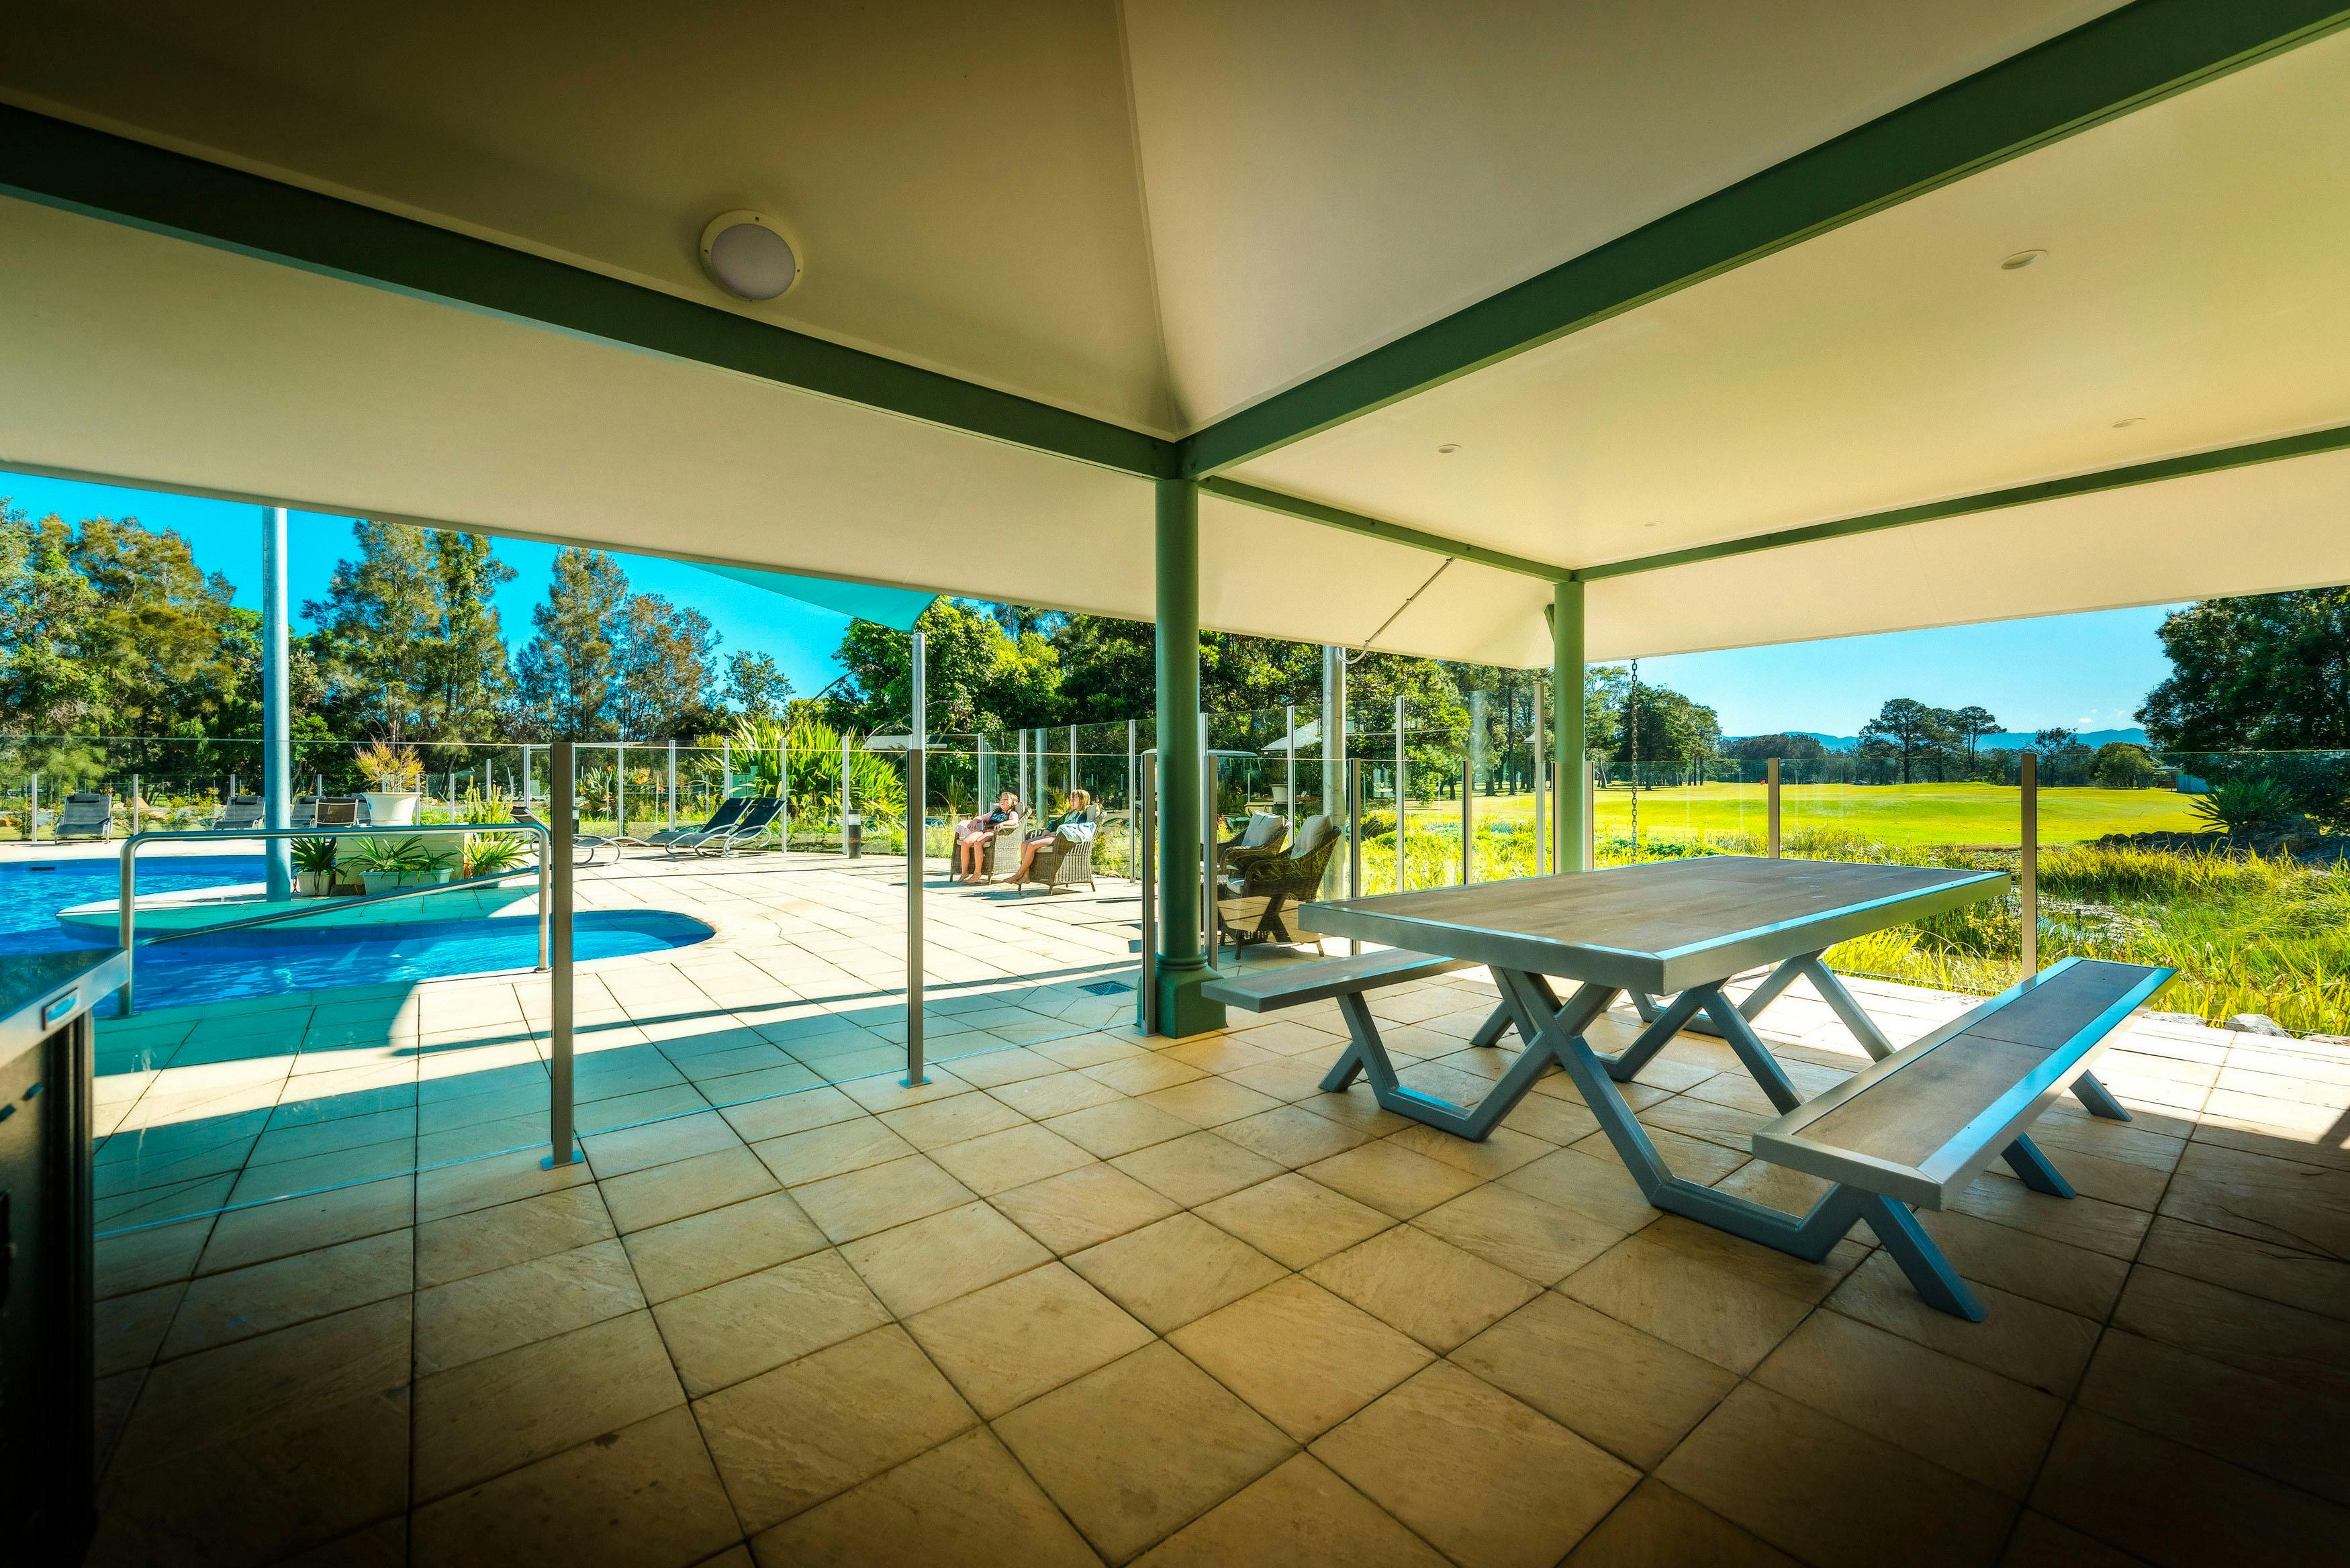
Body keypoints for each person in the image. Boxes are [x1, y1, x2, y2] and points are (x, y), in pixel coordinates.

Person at [1013, 789, 1094, 883]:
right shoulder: (1070, 814)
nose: (1071, 802)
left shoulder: (1083, 816)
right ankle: (1026, 876)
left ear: (1082, 801)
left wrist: (1056, 833)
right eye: (1071, 799)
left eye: (1074, 800)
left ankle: (1019, 874)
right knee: (1024, 844)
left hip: (1062, 839)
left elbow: (1075, 830)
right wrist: (1048, 829)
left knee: (1032, 845)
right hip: (1054, 836)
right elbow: (1055, 822)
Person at [953, 793, 1020, 881]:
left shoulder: (1012, 813)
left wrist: (1003, 823)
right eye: (1001, 799)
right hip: (985, 831)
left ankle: (977, 873)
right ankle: (964, 872)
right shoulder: (995, 812)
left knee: (978, 842)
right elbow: (982, 817)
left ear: (1013, 803)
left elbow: (1015, 821)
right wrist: (975, 820)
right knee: (965, 842)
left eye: (1006, 800)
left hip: (995, 833)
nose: (1002, 801)